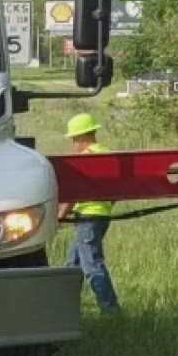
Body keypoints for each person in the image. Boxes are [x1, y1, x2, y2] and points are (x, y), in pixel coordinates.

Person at [59, 113, 120, 313]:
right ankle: (66, 307)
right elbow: (116, 189)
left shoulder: (86, 158)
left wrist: (60, 214)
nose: (73, 144)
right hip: (101, 214)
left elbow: (75, 192)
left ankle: (110, 308)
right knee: (72, 264)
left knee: (91, 265)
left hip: (87, 217)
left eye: (74, 140)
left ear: (81, 137)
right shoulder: (107, 154)